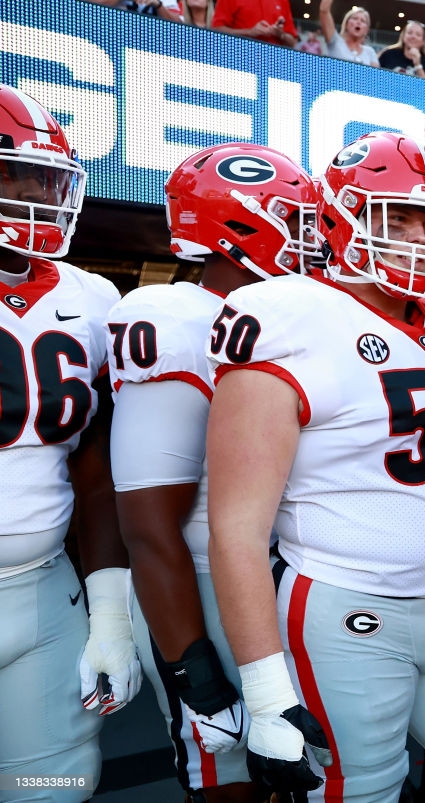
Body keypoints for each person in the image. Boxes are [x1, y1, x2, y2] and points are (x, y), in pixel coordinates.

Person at [205, 131, 425, 802]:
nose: (420, 238)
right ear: (342, 216)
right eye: (399, 218)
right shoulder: (286, 314)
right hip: (343, 610)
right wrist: (267, 693)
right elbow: (237, 527)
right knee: (358, 791)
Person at [106, 142, 318, 803]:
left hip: (282, 578)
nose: (312, 238)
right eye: (296, 220)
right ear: (240, 227)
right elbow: (148, 526)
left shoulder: (300, 315)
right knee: (232, 782)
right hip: (203, 585)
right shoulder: (177, 320)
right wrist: (195, 673)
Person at [0, 84, 140, 801]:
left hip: (43, 587)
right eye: (13, 176)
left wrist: (111, 611)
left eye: (44, 178)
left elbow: (94, 462)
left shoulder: (90, 298)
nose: (34, 195)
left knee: (52, 782)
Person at [211, 0, 296, 47]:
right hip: (239, 58)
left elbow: (293, 42)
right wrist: (249, 32)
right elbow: (216, 30)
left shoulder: (283, 1)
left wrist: (280, 34)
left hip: (273, 62)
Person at [319, 2, 378, 67]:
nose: (358, 22)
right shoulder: (335, 41)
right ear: (346, 24)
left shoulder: (370, 52)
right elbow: (324, 10)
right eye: (355, 18)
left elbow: (375, 72)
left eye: (363, 21)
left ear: (366, 30)